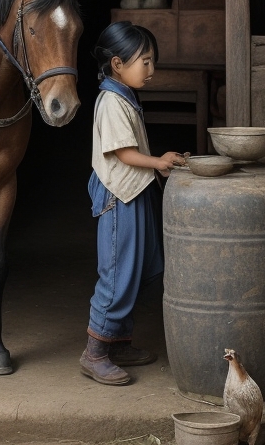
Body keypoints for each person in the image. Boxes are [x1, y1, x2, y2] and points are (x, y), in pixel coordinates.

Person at [79, 20, 187, 386]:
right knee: (117, 275)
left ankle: (118, 343)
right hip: (118, 198)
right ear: (117, 64)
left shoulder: (124, 94)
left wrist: (159, 164)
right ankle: (94, 353)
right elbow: (123, 153)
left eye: (152, 61)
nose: (151, 70)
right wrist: (157, 161)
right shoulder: (110, 100)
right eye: (145, 61)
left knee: (143, 268)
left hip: (136, 192)